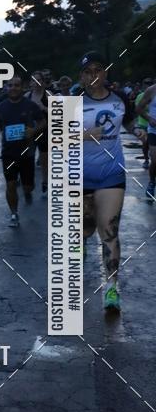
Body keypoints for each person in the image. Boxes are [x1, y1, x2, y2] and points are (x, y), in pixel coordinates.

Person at [80, 53, 145, 311]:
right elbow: (55, 137)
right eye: (88, 71)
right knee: (86, 229)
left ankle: (111, 288)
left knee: (108, 229)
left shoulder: (119, 99)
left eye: (98, 69)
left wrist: (136, 130)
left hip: (111, 173)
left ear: (105, 73)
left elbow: (127, 121)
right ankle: (82, 241)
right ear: (82, 76)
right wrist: (84, 135)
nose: (93, 75)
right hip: (79, 174)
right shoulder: (72, 101)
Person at [0, 76, 45, 227]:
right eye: (10, 85)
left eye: (17, 85)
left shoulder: (30, 105)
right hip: (8, 153)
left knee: (28, 186)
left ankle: (27, 192)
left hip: (27, 153)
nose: (13, 88)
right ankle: (14, 214)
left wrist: (33, 130)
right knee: (11, 184)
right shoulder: (0, 107)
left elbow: (42, 122)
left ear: (22, 87)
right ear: (6, 87)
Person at [25, 70, 50, 196]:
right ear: (31, 83)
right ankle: (28, 183)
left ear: (43, 82)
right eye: (34, 80)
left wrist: (44, 108)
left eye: (39, 80)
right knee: (28, 158)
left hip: (45, 130)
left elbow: (59, 112)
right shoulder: (27, 96)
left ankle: (45, 181)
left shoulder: (48, 95)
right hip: (30, 131)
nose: (37, 83)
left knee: (44, 159)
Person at [135, 77, 156, 199]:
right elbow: (138, 108)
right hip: (154, 131)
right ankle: (152, 182)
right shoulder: (151, 90)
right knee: (155, 160)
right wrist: (149, 119)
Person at [134, 77, 153, 171]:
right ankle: (146, 160)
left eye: (150, 83)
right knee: (145, 143)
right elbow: (138, 109)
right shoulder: (140, 96)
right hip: (143, 123)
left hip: (154, 125)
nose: (148, 85)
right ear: (143, 85)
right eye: (146, 83)